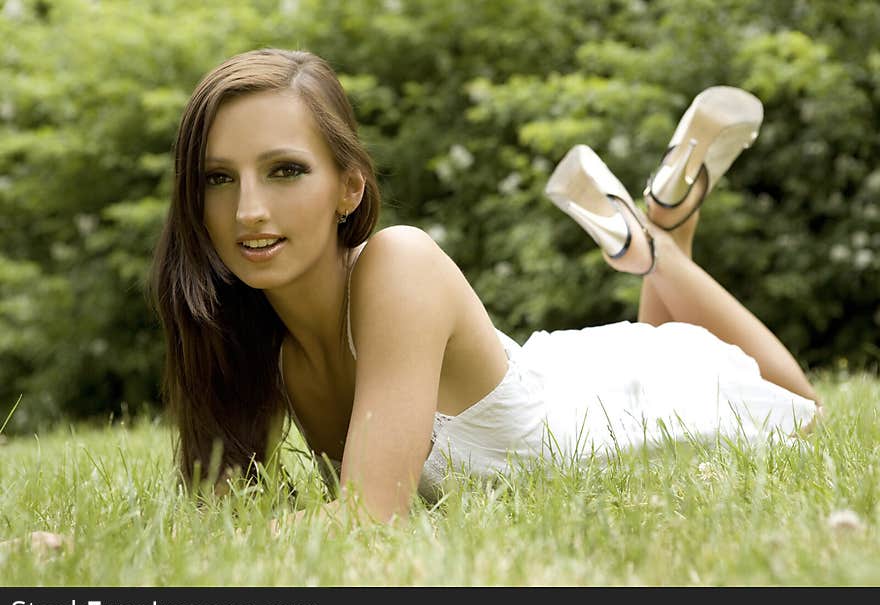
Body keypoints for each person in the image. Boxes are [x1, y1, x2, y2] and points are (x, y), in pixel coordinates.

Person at [149, 48, 820, 525]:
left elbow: (365, 519)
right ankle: (652, 228)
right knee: (658, 338)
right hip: (547, 387)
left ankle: (658, 243)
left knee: (798, 407)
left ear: (350, 188)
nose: (248, 211)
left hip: (600, 420)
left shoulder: (398, 262)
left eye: (285, 170)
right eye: (218, 178)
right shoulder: (258, 342)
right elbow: (226, 518)